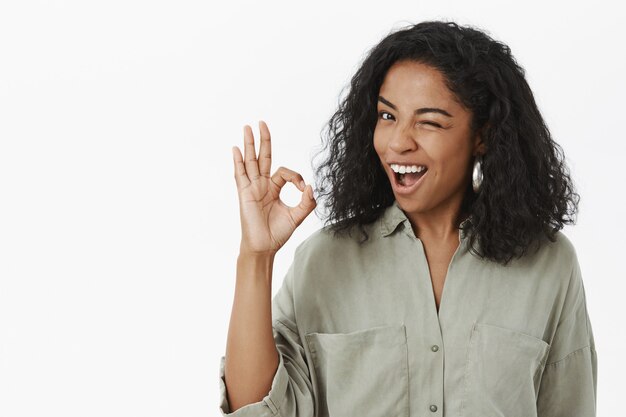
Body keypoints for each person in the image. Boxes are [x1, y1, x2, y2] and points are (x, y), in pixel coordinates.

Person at [219, 21, 598, 417]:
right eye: (387, 116)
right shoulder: (323, 261)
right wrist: (255, 256)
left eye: (429, 121)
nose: (398, 142)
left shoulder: (549, 265)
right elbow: (257, 409)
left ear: (483, 135)